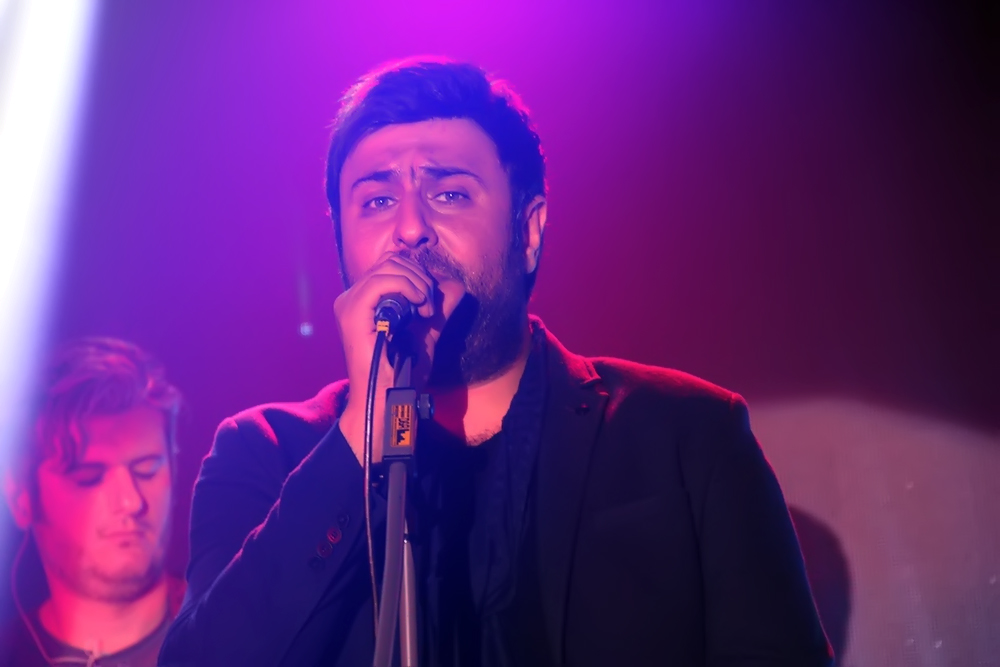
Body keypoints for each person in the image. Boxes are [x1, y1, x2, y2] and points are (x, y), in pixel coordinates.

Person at [159, 58, 833, 666]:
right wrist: (361, 437)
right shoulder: (264, 452)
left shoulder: (685, 433)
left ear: (529, 230)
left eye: (449, 193)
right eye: (377, 200)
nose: (409, 228)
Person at [1, 337, 185, 666]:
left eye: (146, 469)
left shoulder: (244, 637)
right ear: (21, 498)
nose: (130, 501)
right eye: (89, 477)